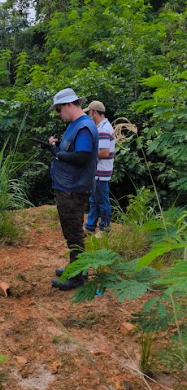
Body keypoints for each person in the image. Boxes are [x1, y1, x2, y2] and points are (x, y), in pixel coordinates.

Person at [48, 88, 98, 291]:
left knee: (74, 232)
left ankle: (77, 277)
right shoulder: (76, 125)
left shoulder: (84, 126)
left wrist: (56, 153)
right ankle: (78, 267)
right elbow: (74, 149)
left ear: (69, 105)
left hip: (73, 188)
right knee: (73, 230)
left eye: (59, 110)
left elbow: (82, 156)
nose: (59, 115)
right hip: (69, 186)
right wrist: (59, 146)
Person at [83, 101, 115, 233]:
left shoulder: (103, 129)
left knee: (102, 202)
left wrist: (88, 155)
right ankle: (90, 226)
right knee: (95, 200)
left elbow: (104, 152)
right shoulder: (104, 126)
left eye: (89, 113)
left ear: (95, 112)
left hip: (101, 172)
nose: (89, 116)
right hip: (99, 171)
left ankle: (104, 229)